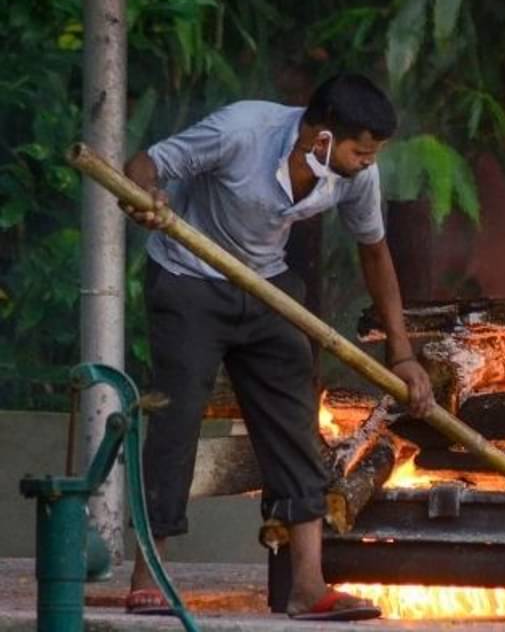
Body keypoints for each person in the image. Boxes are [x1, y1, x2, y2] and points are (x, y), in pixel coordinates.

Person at [119, 73, 433, 622]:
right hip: (190, 279)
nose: (367, 163)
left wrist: (402, 355)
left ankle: (308, 586)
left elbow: (375, 254)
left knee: (294, 420)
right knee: (178, 416)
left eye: (373, 152)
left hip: (265, 286)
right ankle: (148, 574)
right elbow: (145, 164)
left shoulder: (358, 173)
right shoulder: (241, 130)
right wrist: (142, 196)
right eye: (360, 150)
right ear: (322, 140)